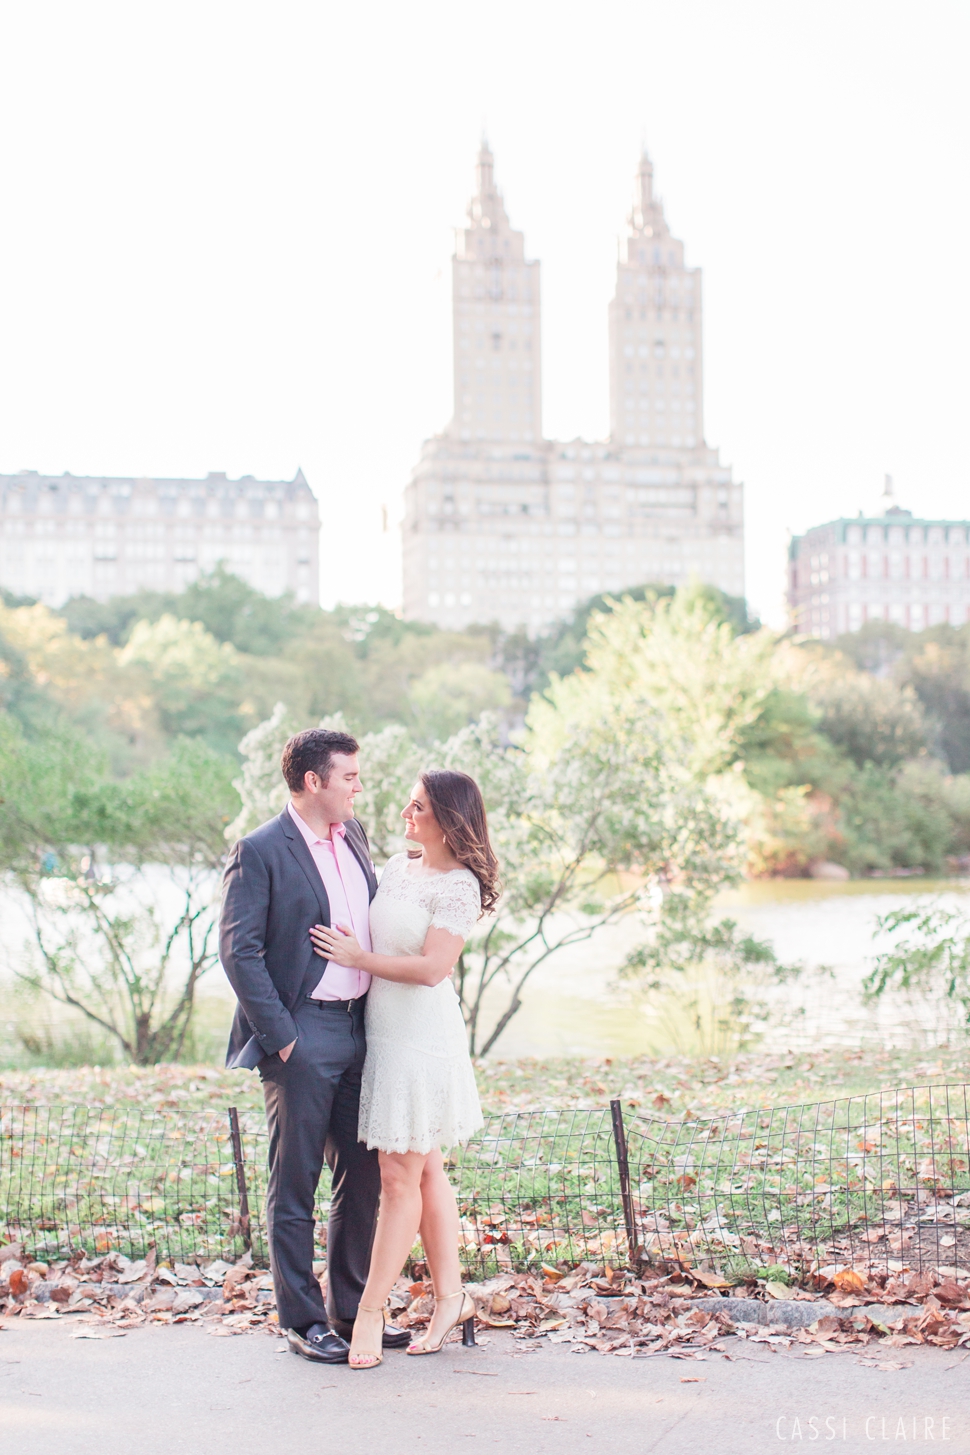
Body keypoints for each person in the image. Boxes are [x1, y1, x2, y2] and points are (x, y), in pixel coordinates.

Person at [218, 728, 410, 1365]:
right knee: (294, 1181)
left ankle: (352, 1311)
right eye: (349, 776)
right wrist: (285, 1039)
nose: (359, 786)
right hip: (301, 1033)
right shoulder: (260, 850)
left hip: (362, 1026)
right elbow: (239, 952)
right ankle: (302, 1319)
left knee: (362, 1177)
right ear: (312, 782)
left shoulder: (353, 837)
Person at [309, 768, 498, 1369]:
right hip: (381, 1033)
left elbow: (433, 968)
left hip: (421, 1039)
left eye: (417, 808)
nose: (404, 816)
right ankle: (451, 1298)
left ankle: (369, 1310)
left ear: (448, 819)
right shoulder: (395, 866)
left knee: (398, 1178)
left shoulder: (459, 885)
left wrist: (359, 957)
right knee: (426, 1171)